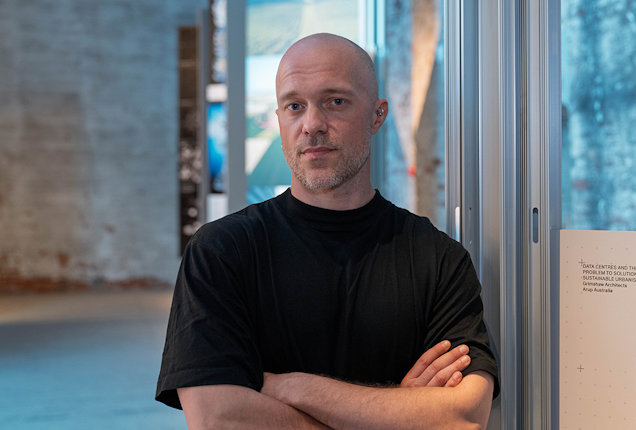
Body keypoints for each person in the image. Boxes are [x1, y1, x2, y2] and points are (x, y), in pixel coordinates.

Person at [156, 33, 498, 429]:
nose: (312, 125)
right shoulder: (221, 251)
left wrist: (293, 387)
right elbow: (217, 418)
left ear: (377, 115)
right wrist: (397, 414)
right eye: (294, 106)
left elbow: (465, 416)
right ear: (280, 119)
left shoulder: (438, 259)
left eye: (335, 102)